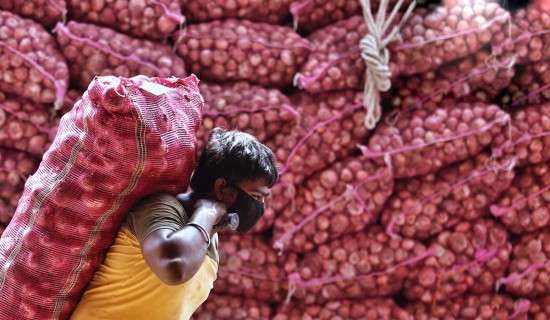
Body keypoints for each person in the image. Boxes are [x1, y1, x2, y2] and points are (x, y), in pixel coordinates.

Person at [70, 128, 279, 320]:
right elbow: (173, 266)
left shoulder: (208, 238)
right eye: (255, 195)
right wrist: (206, 212)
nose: (260, 205)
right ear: (221, 187)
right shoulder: (162, 208)